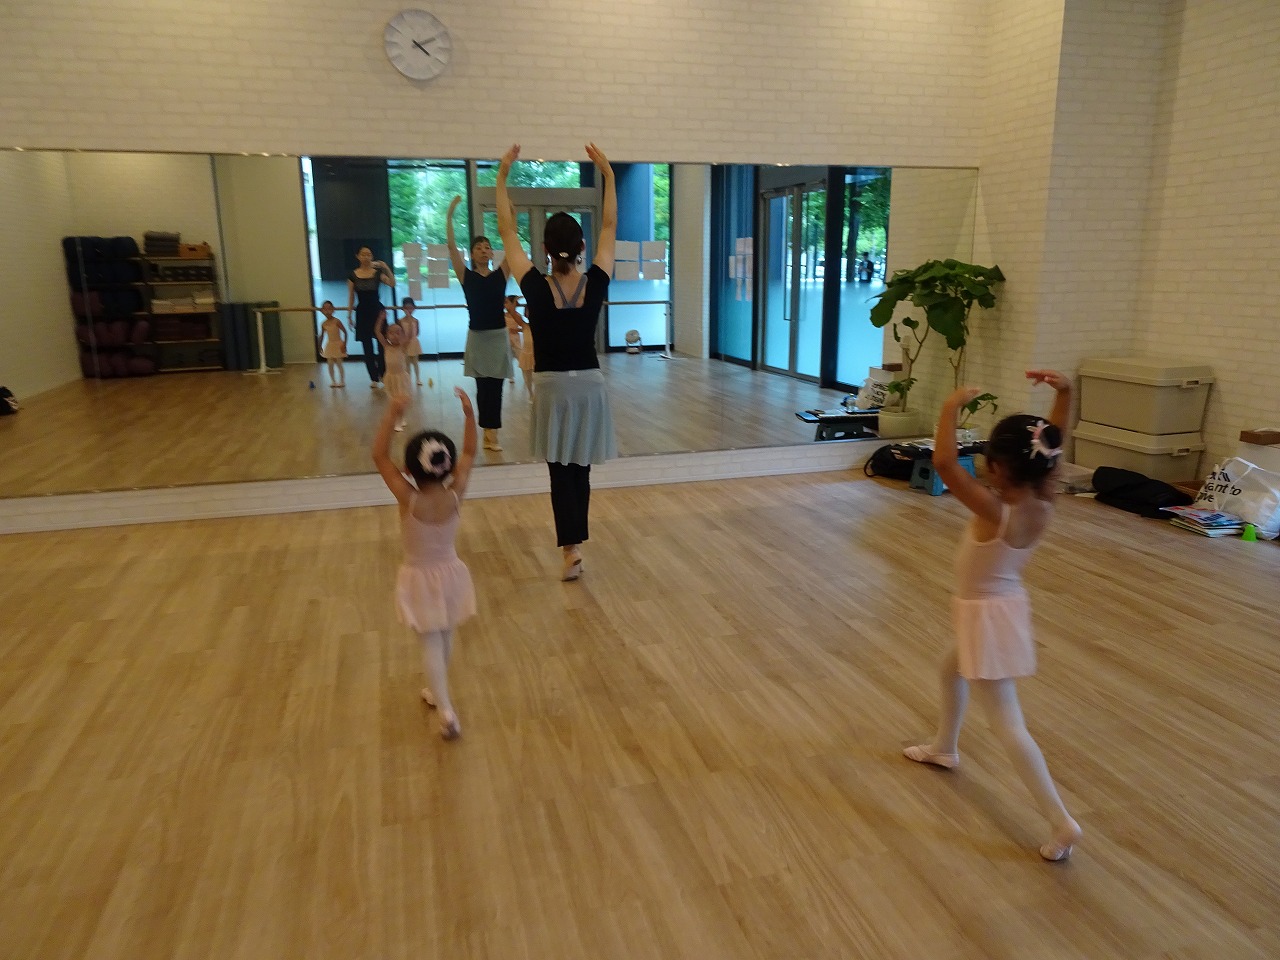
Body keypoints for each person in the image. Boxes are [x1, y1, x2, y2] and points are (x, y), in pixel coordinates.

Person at [903, 369, 1082, 862]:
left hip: (986, 618)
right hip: (999, 609)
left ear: (998, 468)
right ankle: (944, 746)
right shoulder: (1043, 500)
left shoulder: (994, 512)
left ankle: (1061, 821)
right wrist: (1065, 392)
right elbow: (1054, 441)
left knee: (1007, 725)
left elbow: (944, 462)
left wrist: (949, 409)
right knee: (949, 670)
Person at [496, 142, 618, 581]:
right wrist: (608, 175)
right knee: (580, 468)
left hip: (550, 387)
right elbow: (609, 224)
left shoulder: (533, 284)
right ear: (581, 246)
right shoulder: (596, 280)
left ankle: (570, 549)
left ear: (546, 248)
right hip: (589, 386)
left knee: (559, 473)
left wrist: (503, 175)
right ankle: (575, 545)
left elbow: (507, 231)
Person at [372, 388, 477, 740]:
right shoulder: (456, 492)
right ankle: (436, 692)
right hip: (451, 573)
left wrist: (392, 413)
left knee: (430, 641)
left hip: (418, 577)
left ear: (409, 469)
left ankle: (446, 710)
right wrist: (469, 416)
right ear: (447, 466)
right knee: (445, 634)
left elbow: (379, 456)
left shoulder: (408, 498)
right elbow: (469, 452)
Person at [447, 195, 512, 452]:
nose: (484, 250)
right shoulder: (466, 276)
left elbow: (512, 242)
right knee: (482, 387)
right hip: (477, 337)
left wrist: (511, 217)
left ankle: (492, 433)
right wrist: (450, 217)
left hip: (497, 337)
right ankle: (486, 431)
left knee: (496, 387)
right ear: (473, 254)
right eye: (479, 248)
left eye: (487, 247)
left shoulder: (501, 274)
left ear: (492, 253)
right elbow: (452, 249)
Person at [346, 246, 394, 387]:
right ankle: (373, 377)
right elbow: (351, 297)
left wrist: (385, 267)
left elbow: (392, 283)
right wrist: (349, 315)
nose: (366, 257)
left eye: (369, 254)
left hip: (377, 311)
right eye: (363, 254)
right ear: (358, 256)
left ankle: (383, 374)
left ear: (372, 257)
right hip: (362, 312)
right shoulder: (353, 275)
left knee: (382, 344)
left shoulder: (378, 273)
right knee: (367, 347)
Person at [379, 316, 411, 432]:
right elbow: (377, 332)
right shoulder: (386, 346)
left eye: (398, 333)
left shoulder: (403, 347)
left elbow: (410, 336)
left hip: (401, 377)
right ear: (387, 335)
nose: (394, 335)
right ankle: (398, 418)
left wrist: (408, 320)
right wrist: (380, 319)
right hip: (390, 377)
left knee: (400, 399)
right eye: (391, 333)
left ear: (402, 335)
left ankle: (399, 420)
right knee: (392, 399)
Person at [504, 295, 535, 403]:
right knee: (527, 377)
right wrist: (515, 301)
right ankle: (531, 395)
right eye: (527, 311)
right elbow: (512, 312)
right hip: (526, 354)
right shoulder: (525, 325)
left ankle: (535, 395)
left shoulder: (540, 326)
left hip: (535, 355)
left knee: (535, 377)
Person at [317, 300, 348, 388]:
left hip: (338, 343)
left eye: (329, 309)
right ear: (322, 311)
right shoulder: (324, 324)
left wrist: (344, 344)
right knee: (330, 364)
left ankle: (342, 381)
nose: (327, 311)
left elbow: (345, 332)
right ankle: (333, 381)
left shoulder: (337, 321)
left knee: (339, 363)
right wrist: (319, 346)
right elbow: (322, 335)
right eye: (325, 309)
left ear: (333, 309)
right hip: (330, 344)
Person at [400, 297, 424, 386]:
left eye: (410, 308)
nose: (409, 310)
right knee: (406, 363)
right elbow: (401, 333)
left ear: (414, 308)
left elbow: (417, 333)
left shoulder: (416, 321)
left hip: (414, 343)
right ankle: (408, 379)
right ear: (403, 309)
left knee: (415, 362)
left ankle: (418, 379)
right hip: (405, 344)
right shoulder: (400, 321)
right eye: (406, 308)